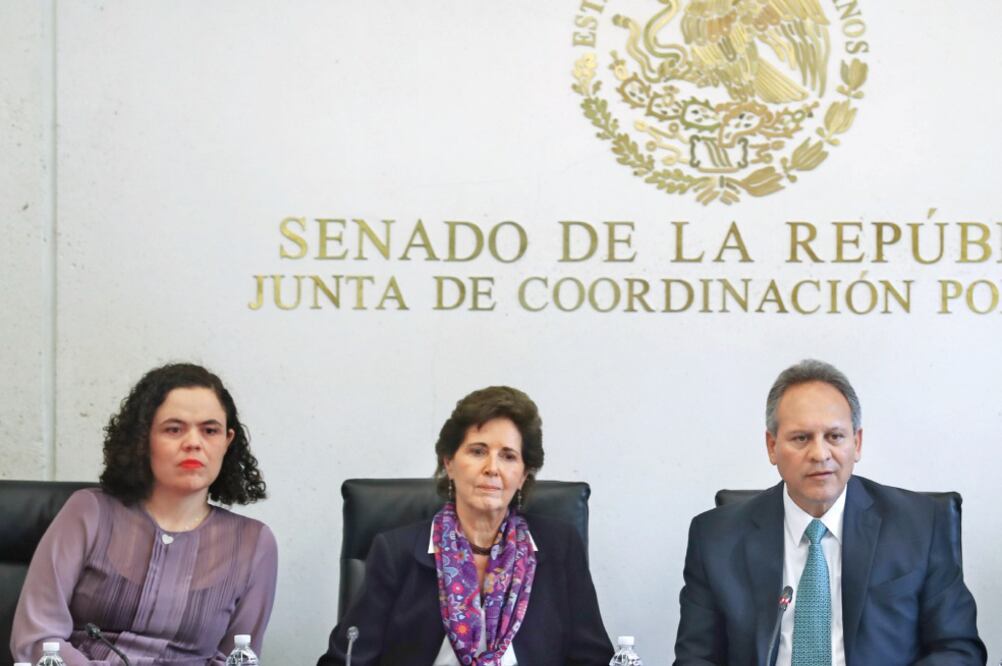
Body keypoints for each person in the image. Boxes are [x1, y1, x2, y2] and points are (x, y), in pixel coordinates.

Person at [673, 359, 986, 665]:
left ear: (857, 443)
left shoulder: (919, 525)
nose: (820, 454)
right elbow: (696, 658)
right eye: (801, 438)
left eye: (834, 436)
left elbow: (959, 649)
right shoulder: (716, 538)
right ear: (771, 446)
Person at [318, 386, 614, 666]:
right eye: (478, 451)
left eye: (508, 456)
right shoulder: (396, 552)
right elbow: (345, 659)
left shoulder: (560, 546)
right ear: (449, 463)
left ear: (524, 475)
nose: (492, 468)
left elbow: (593, 659)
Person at [11, 363, 278, 665]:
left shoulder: (253, 543)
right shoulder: (89, 512)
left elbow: (236, 658)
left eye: (210, 430)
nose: (194, 443)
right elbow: (38, 639)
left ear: (227, 441)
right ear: (143, 438)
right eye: (174, 429)